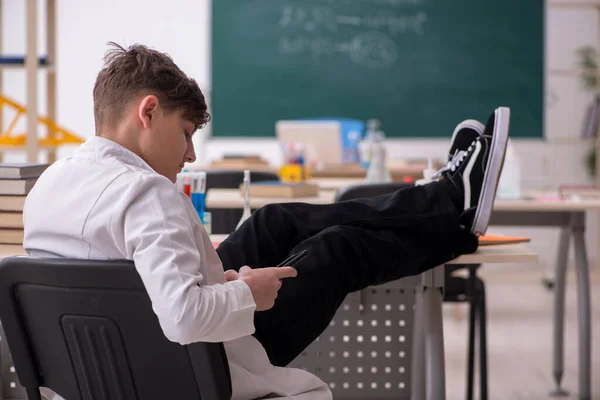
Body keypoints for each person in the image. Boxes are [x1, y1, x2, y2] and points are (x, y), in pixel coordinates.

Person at [22, 42, 510, 400]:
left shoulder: (49, 184)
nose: (190, 154)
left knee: (272, 223)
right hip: (194, 365)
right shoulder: (148, 193)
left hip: (115, 362)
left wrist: (219, 281)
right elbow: (185, 317)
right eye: (186, 133)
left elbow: (107, 283)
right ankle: (453, 210)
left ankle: (449, 204)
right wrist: (246, 294)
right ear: (148, 111)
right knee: (338, 248)